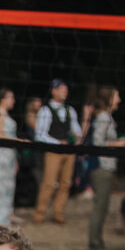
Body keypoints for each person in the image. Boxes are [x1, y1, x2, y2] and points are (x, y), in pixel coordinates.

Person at [86, 86, 125, 250]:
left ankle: (99, 244)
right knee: (100, 206)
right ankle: (95, 246)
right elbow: (98, 143)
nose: (119, 99)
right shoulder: (104, 118)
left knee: (103, 207)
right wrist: (119, 144)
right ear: (109, 98)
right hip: (101, 166)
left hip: (107, 166)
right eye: (117, 96)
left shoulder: (107, 117)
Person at [33, 79, 82, 224]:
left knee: (66, 183)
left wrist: (76, 137)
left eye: (65, 90)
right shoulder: (45, 110)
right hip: (53, 151)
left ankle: (58, 213)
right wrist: (57, 142)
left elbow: (76, 129)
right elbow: (40, 134)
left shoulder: (70, 110)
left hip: (69, 150)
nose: (64, 92)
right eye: (61, 89)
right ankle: (39, 214)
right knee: (49, 182)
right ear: (53, 91)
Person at [0, 89, 22, 225]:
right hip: (2, 154)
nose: (13, 100)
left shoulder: (5, 114)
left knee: (8, 185)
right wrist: (17, 141)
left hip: (10, 154)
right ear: (2, 99)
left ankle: (5, 216)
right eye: (10, 97)